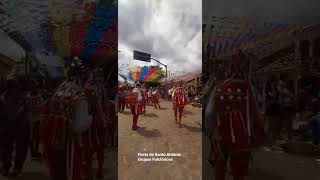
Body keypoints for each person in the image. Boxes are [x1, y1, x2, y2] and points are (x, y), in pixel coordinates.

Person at [206, 51, 265, 180]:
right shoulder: (250, 89)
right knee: (239, 174)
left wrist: (212, 133)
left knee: (219, 171)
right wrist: (258, 133)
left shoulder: (219, 87)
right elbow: (257, 113)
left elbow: (209, 114)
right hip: (242, 137)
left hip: (221, 136)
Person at [41, 57, 97, 180]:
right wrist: (91, 118)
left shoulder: (60, 88)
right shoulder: (78, 93)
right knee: (70, 168)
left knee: (55, 167)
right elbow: (79, 126)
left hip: (51, 133)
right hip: (65, 136)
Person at [0, 70, 31, 177]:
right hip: (9, 125)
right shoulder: (3, 95)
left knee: (19, 148)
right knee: (6, 147)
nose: (10, 83)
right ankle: (7, 166)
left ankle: (16, 168)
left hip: (19, 125)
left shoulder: (23, 96)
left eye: (12, 81)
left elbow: (23, 109)